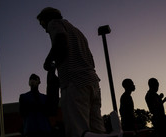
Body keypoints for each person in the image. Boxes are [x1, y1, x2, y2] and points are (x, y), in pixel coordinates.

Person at [37, 7, 112, 137]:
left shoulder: (54, 23)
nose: (44, 29)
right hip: (92, 82)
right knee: (97, 130)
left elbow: (60, 39)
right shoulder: (77, 31)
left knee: (78, 130)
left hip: (74, 83)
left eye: (42, 24)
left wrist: (48, 61)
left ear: (47, 18)